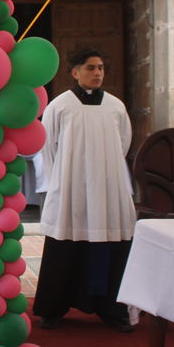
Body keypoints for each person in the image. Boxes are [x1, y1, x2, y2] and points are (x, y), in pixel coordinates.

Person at [32, 49, 136, 332]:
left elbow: (123, 144)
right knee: (65, 246)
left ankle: (111, 309)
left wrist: (105, 174)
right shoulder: (60, 106)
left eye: (101, 67)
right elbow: (47, 145)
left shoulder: (115, 107)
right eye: (91, 68)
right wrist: (61, 182)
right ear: (75, 72)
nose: (98, 73)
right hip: (71, 189)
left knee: (108, 246)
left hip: (107, 190)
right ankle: (54, 308)